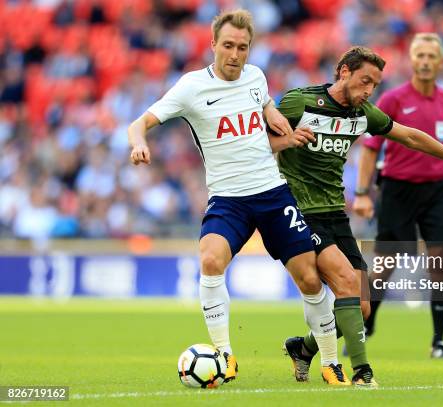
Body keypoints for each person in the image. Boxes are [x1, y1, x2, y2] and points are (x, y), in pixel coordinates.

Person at [127, 9, 349, 385]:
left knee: (310, 279)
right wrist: (138, 144)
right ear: (213, 44)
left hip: (273, 194)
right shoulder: (191, 87)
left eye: (242, 47)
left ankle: (330, 362)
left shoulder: (256, 77)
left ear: (250, 49)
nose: (235, 54)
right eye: (227, 45)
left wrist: (275, 118)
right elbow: (139, 123)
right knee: (210, 259)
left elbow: (261, 116)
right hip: (228, 198)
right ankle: (224, 355)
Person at [269, 46, 443, 385]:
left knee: (362, 306)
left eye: (374, 85)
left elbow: (410, 136)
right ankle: (362, 372)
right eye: (364, 82)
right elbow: (258, 144)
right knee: (347, 283)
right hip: (299, 211)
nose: (368, 92)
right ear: (343, 72)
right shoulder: (298, 102)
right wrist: (287, 141)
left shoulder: (363, 114)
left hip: (335, 214)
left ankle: (303, 348)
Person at [353, 33, 443, 359]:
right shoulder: (393, 100)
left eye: (430, 56)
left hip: (438, 193)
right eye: (419, 55)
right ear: (412, 60)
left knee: (441, 264)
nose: (424, 61)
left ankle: (439, 340)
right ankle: (366, 326)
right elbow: (371, 149)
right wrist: (362, 192)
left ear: (440, 62)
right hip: (397, 189)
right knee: (384, 264)